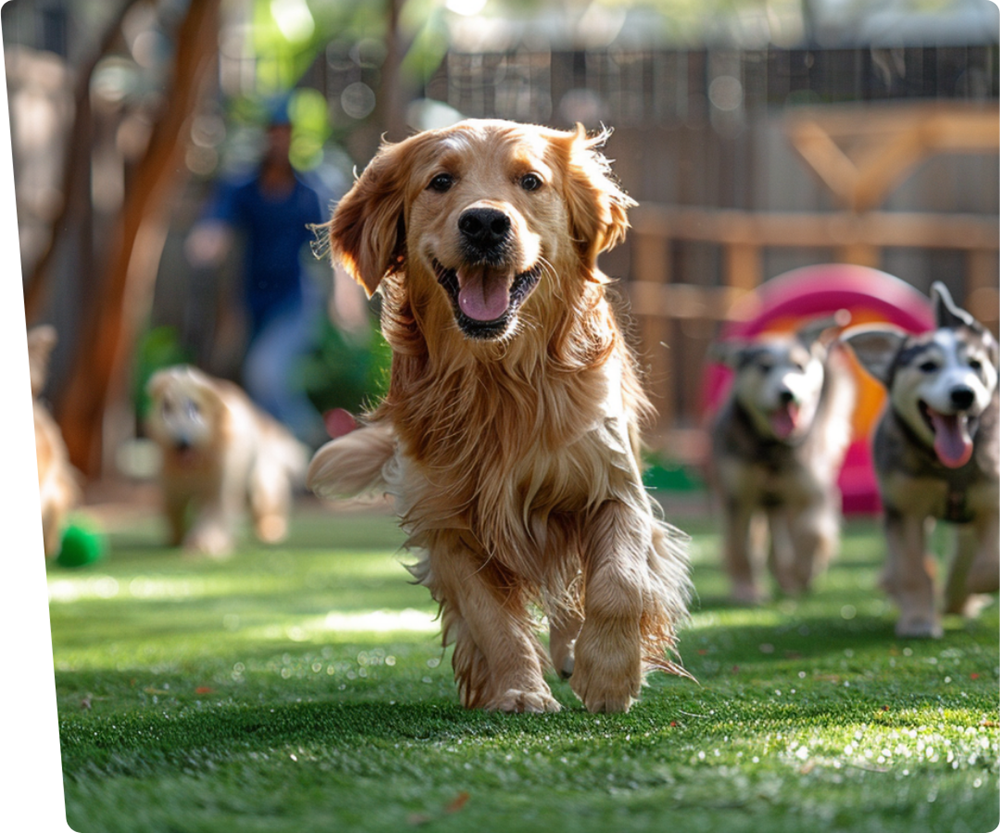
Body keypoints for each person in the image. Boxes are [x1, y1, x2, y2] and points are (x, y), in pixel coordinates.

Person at [186, 102, 327, 447]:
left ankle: (309, 443)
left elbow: (332, 245)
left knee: (264, 372)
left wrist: (346, 299)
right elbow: (216, 221)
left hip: (294, 303)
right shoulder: (244, 188)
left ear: (292, 138)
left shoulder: (306, 193)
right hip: (251, 303)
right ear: (265, 137)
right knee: (260, 383)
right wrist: (209, 238)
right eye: (272, 133)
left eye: (284, 134)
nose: (278, 141)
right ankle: (283, 457)